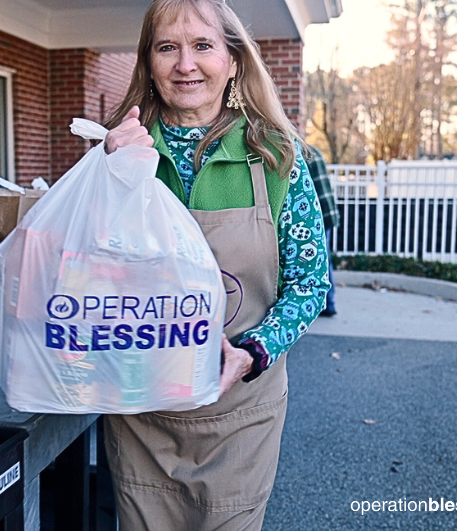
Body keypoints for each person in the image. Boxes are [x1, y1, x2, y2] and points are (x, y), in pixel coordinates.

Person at [102, 0, 331, 528]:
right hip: (143, 415)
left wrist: (255, 350)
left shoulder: (277, 158)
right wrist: (111, 176)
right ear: (148, 62)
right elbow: (83, 272)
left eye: (202, 45)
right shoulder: (117, 154)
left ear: (233, 60)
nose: (185, 64)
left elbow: (309, 285)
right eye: (167, 48)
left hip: (240, 417)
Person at [306, 145, 340, 316]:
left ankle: (328, 303)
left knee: (321, 261)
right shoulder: (314, 150)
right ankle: (328, 302)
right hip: (328, 211)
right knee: (325, 259)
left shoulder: (302, 152)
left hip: (319, 215)